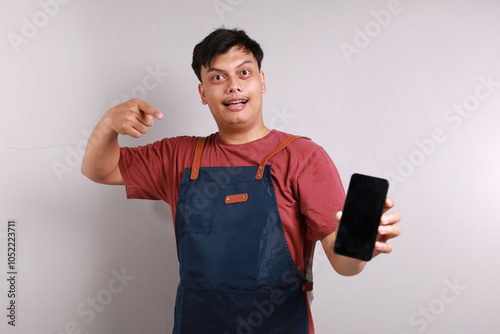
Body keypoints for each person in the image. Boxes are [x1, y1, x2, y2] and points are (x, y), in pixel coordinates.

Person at [81, 28, 401, 334]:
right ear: (203, 93)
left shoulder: (304, 157)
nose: (233, 86)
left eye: (244, 73)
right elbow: (100, 169)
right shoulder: (177, 156)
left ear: (262, 81)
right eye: (218, 77)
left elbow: (344, 265)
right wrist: (109, 123)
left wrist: (360, 246)